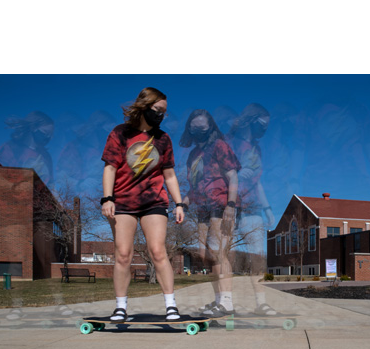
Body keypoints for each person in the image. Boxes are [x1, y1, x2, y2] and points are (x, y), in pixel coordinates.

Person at [100, 87, 185, 322]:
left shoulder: (163, 139)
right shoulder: (120, 134)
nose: (160, 116)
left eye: (164, 112)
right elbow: (110, 168)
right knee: (123, 254)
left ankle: (170, 305)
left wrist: (179, 203)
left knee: (158, 251)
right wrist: (107, 198)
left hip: (154, 201)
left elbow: (169, 175)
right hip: (123, 201)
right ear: (144, 106)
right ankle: (120, 307)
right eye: (157, 110)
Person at [180, 109, 241, 318]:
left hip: (222, 204)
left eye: (202, 127)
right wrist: (183, 205)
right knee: (206, 255)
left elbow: (232, 176)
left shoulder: (220, 146)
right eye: (194, 127)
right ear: (189, 129)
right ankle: (218, 301)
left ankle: (227, 302)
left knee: (219, 253)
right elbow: (194, 189)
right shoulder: (193, 156)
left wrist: (231, 205)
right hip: (202, 207)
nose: (198, 130)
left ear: (211, 127)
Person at [226, 103, 277, 315]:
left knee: (258, 255)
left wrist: (268, 209)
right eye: (263, 123)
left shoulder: (257, 148)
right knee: (224, 254)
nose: (265, 128)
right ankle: (225, 302)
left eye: (267, 125)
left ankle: (261, 303)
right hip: (229, 205)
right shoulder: (229, 143)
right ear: (251, 120)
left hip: (253, 206)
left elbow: (258, 182)